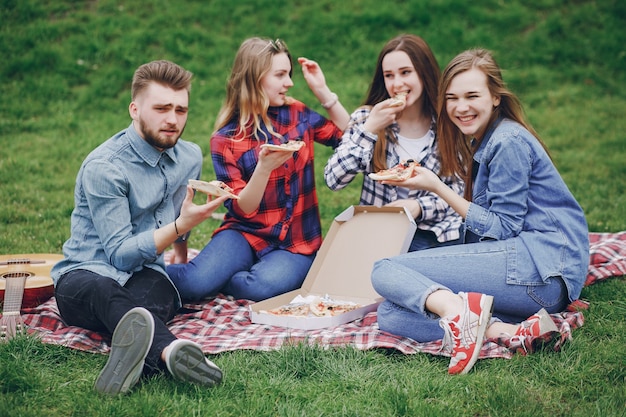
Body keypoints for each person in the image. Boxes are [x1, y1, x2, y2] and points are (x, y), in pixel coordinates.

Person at [370, 49, 589, 375]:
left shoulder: (507, 140)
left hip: (539, 269)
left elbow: (503, 229)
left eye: (472, 95)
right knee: (391, 312)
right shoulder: (485, 139)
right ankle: (504, 331)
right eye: (452, 98)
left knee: (385, 270)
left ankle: (460, 315)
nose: (461, 107)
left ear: (496, 97)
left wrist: (437, 187)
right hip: (537, 283)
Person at [50, 60, 227, 395]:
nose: (173, 120)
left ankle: (133, 357)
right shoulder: (105, 167)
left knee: (157, 297)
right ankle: (171, 351)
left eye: (180, 109)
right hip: (84, 277)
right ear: (134, 109)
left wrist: (180, 248)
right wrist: (180, 226)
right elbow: (119, 256)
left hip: (145, 274)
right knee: (107, 292)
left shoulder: (188, 156)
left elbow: (179, 205)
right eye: (161, 108)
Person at [166, 37, 350, 302]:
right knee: (194, 284)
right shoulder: (225, 139)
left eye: (289, 74)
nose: (290, 83)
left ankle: (226, 278)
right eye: (280, 75)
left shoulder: (297, 113)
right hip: (244, 233)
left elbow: (349, 140)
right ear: (254, 78)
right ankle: (130, 278)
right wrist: (263, 169)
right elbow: (244, 208)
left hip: (296, 244)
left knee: (259, 289)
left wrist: (324, 93)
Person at [324, 34, 463, 251]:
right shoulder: (366, 119)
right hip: (379, 233)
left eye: (406, 72)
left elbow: (459, 192)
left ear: (424, 73)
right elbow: (334, 179)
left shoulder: (448, 123)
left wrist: (418, 207)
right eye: (389, 75)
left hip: (434, 234)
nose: (397, 84)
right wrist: (370, 129)